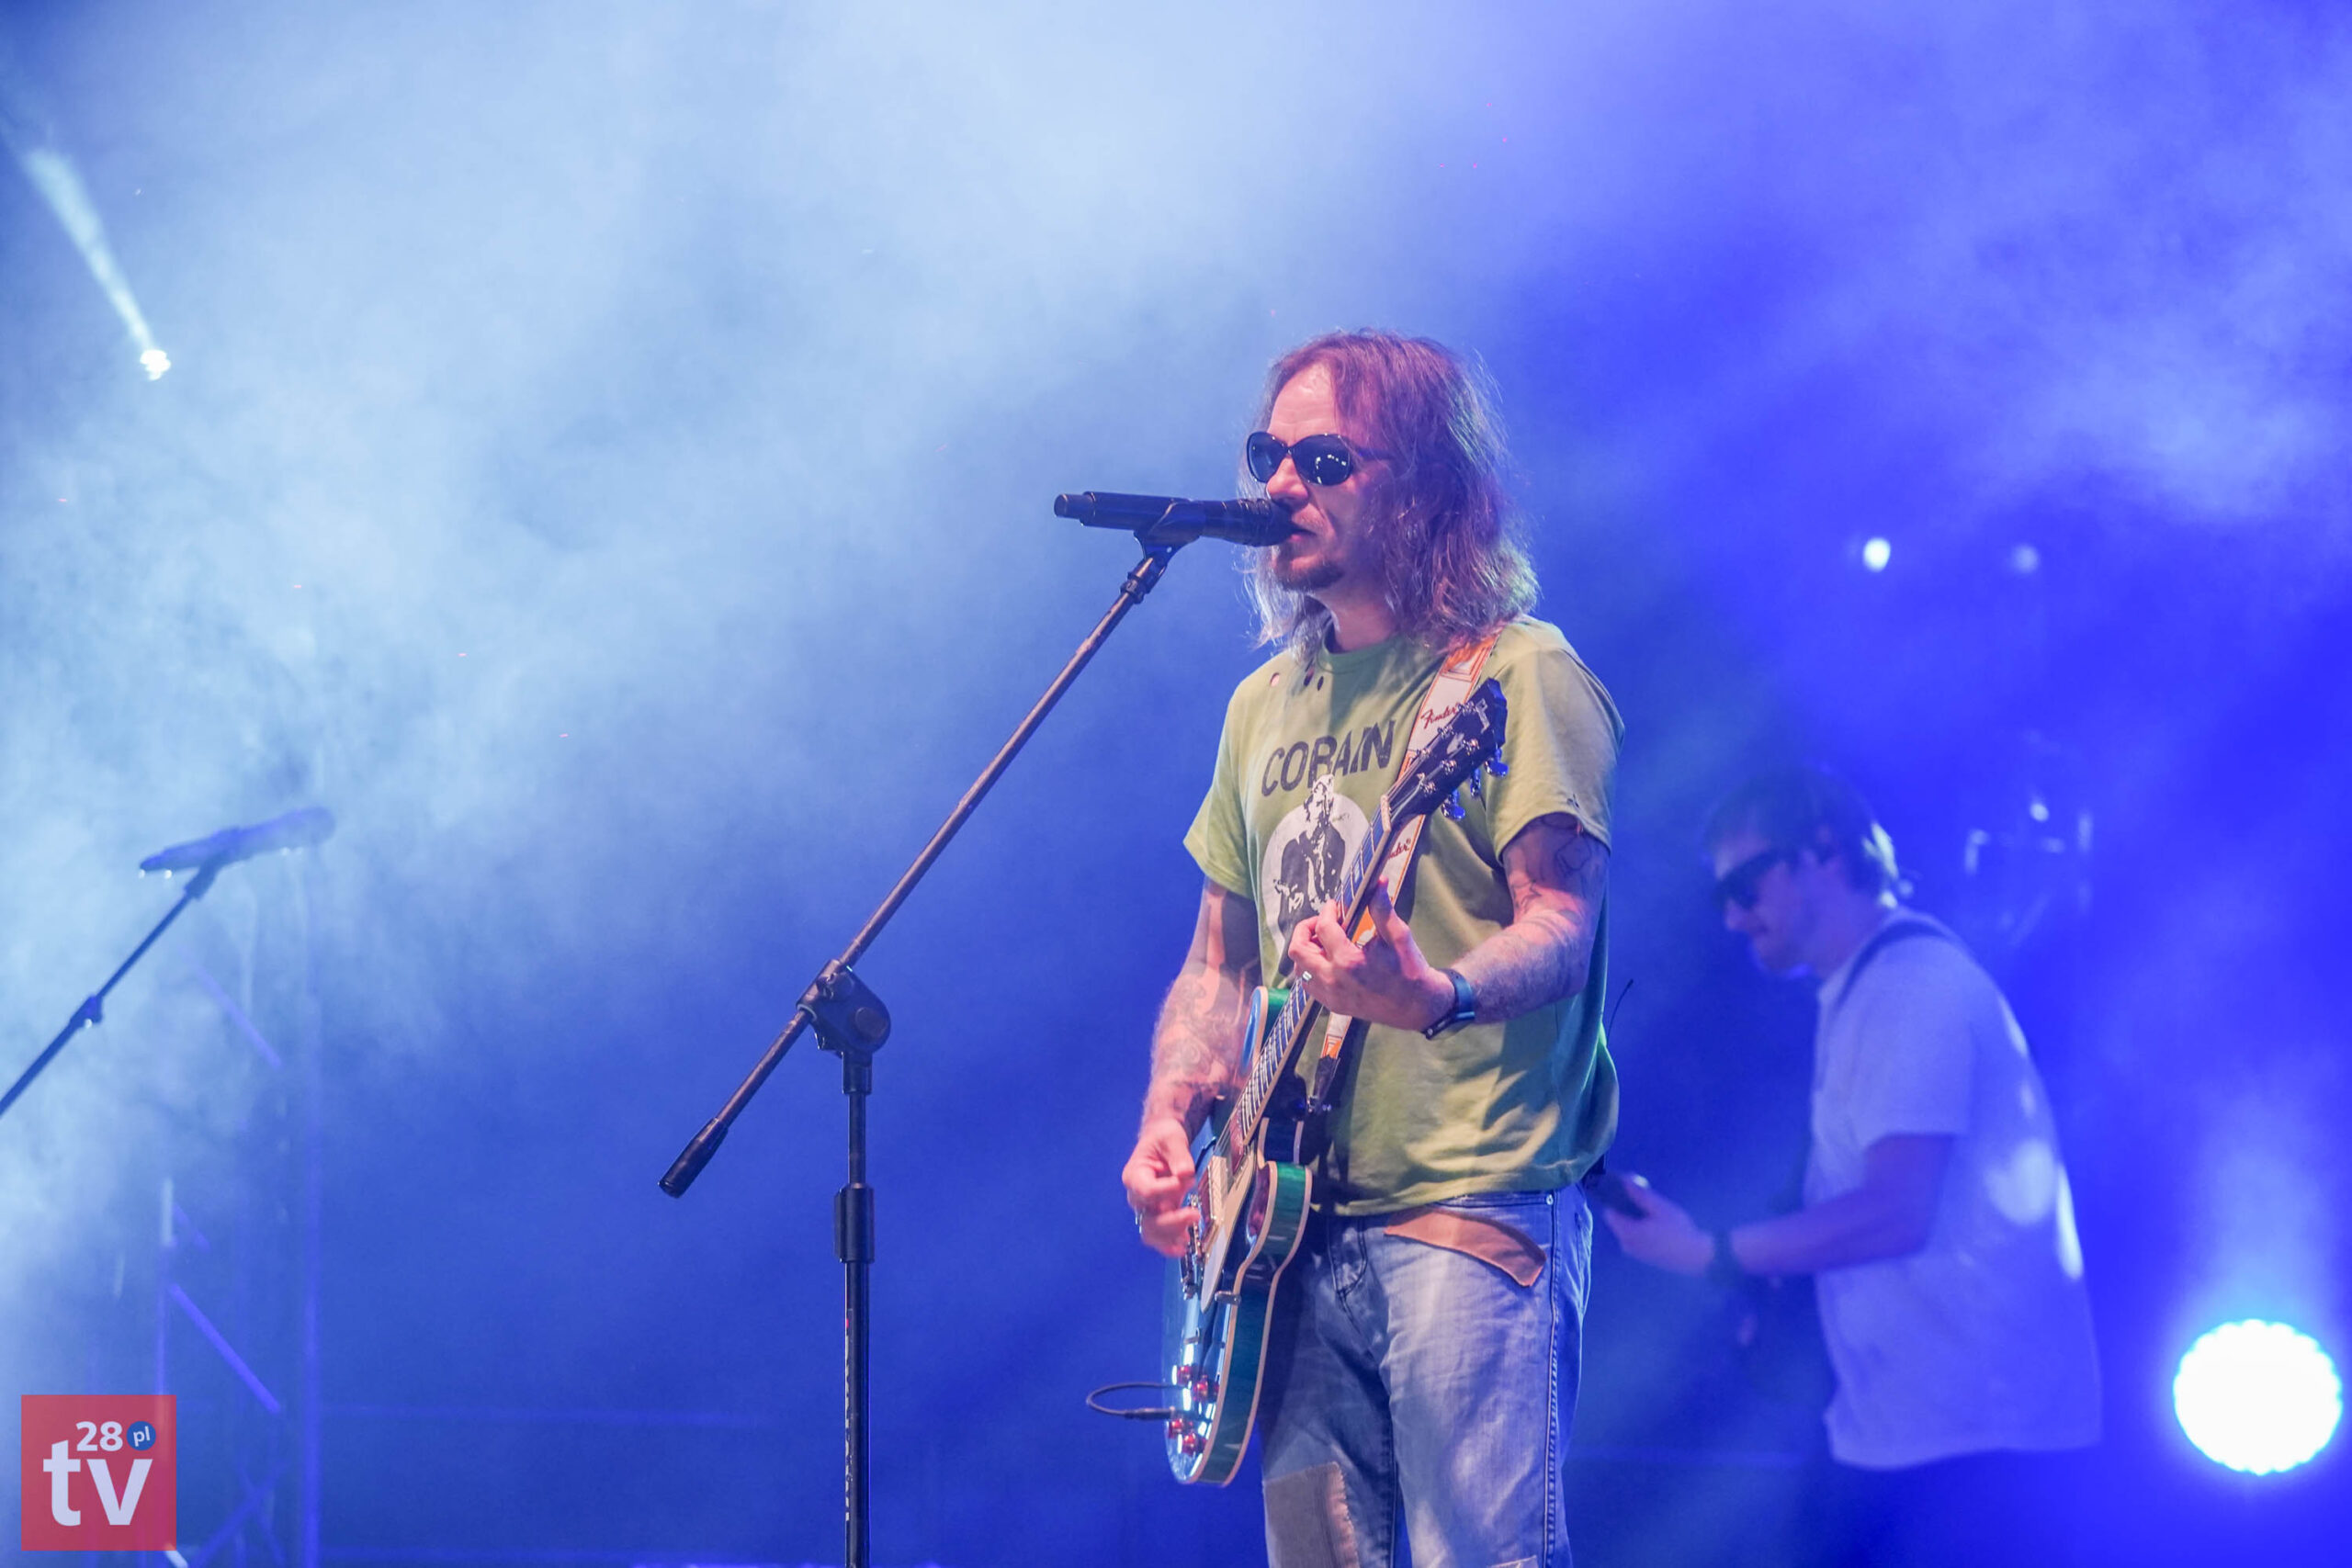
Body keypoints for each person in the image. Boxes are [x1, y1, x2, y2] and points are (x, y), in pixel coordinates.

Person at [1120, 330, 1623, 1568]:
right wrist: (1167, 1118)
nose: (1281, 485)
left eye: (1326, 459)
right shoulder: (1260, 706)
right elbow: (1219, 965)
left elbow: (1561, 925)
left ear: (1428, 487)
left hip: (1466, 1202)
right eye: (1269, 456)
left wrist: (1434, 991)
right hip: (1281, 1228)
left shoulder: (1518, 674)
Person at [1604, 765, 2100, 1564]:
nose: (1732, 915)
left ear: (1825, 852)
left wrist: (1712, 1251)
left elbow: (1896, 1210)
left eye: (1744, 885)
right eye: (1721, 895)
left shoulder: (1911, 987)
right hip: (1922, 1434)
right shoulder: (1873, 986)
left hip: (1967, 1447)